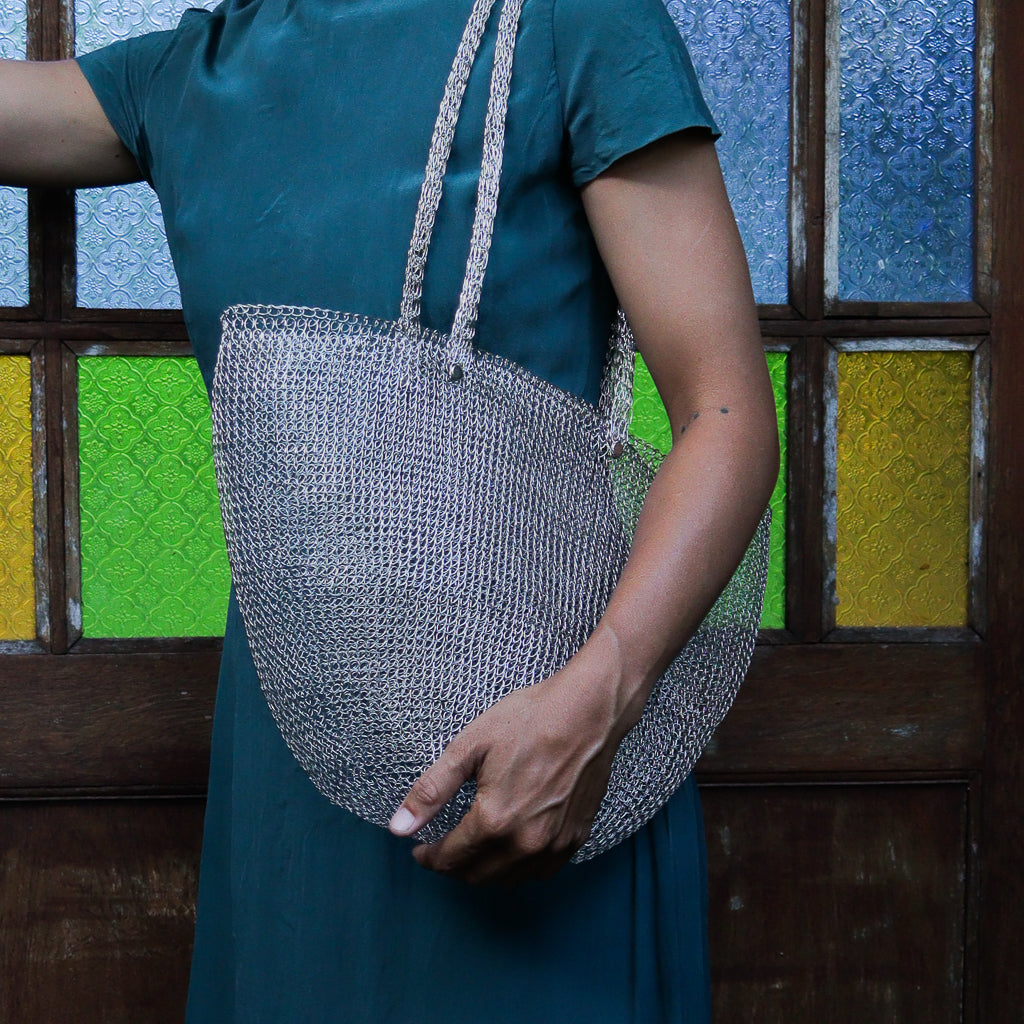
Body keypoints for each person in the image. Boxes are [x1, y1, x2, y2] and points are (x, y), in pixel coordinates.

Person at [1, 0, 778, 1019]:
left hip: (542, 741)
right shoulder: (188, 75)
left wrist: (596, 703)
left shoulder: (569, 23)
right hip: (291, 752)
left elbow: (726, 415)